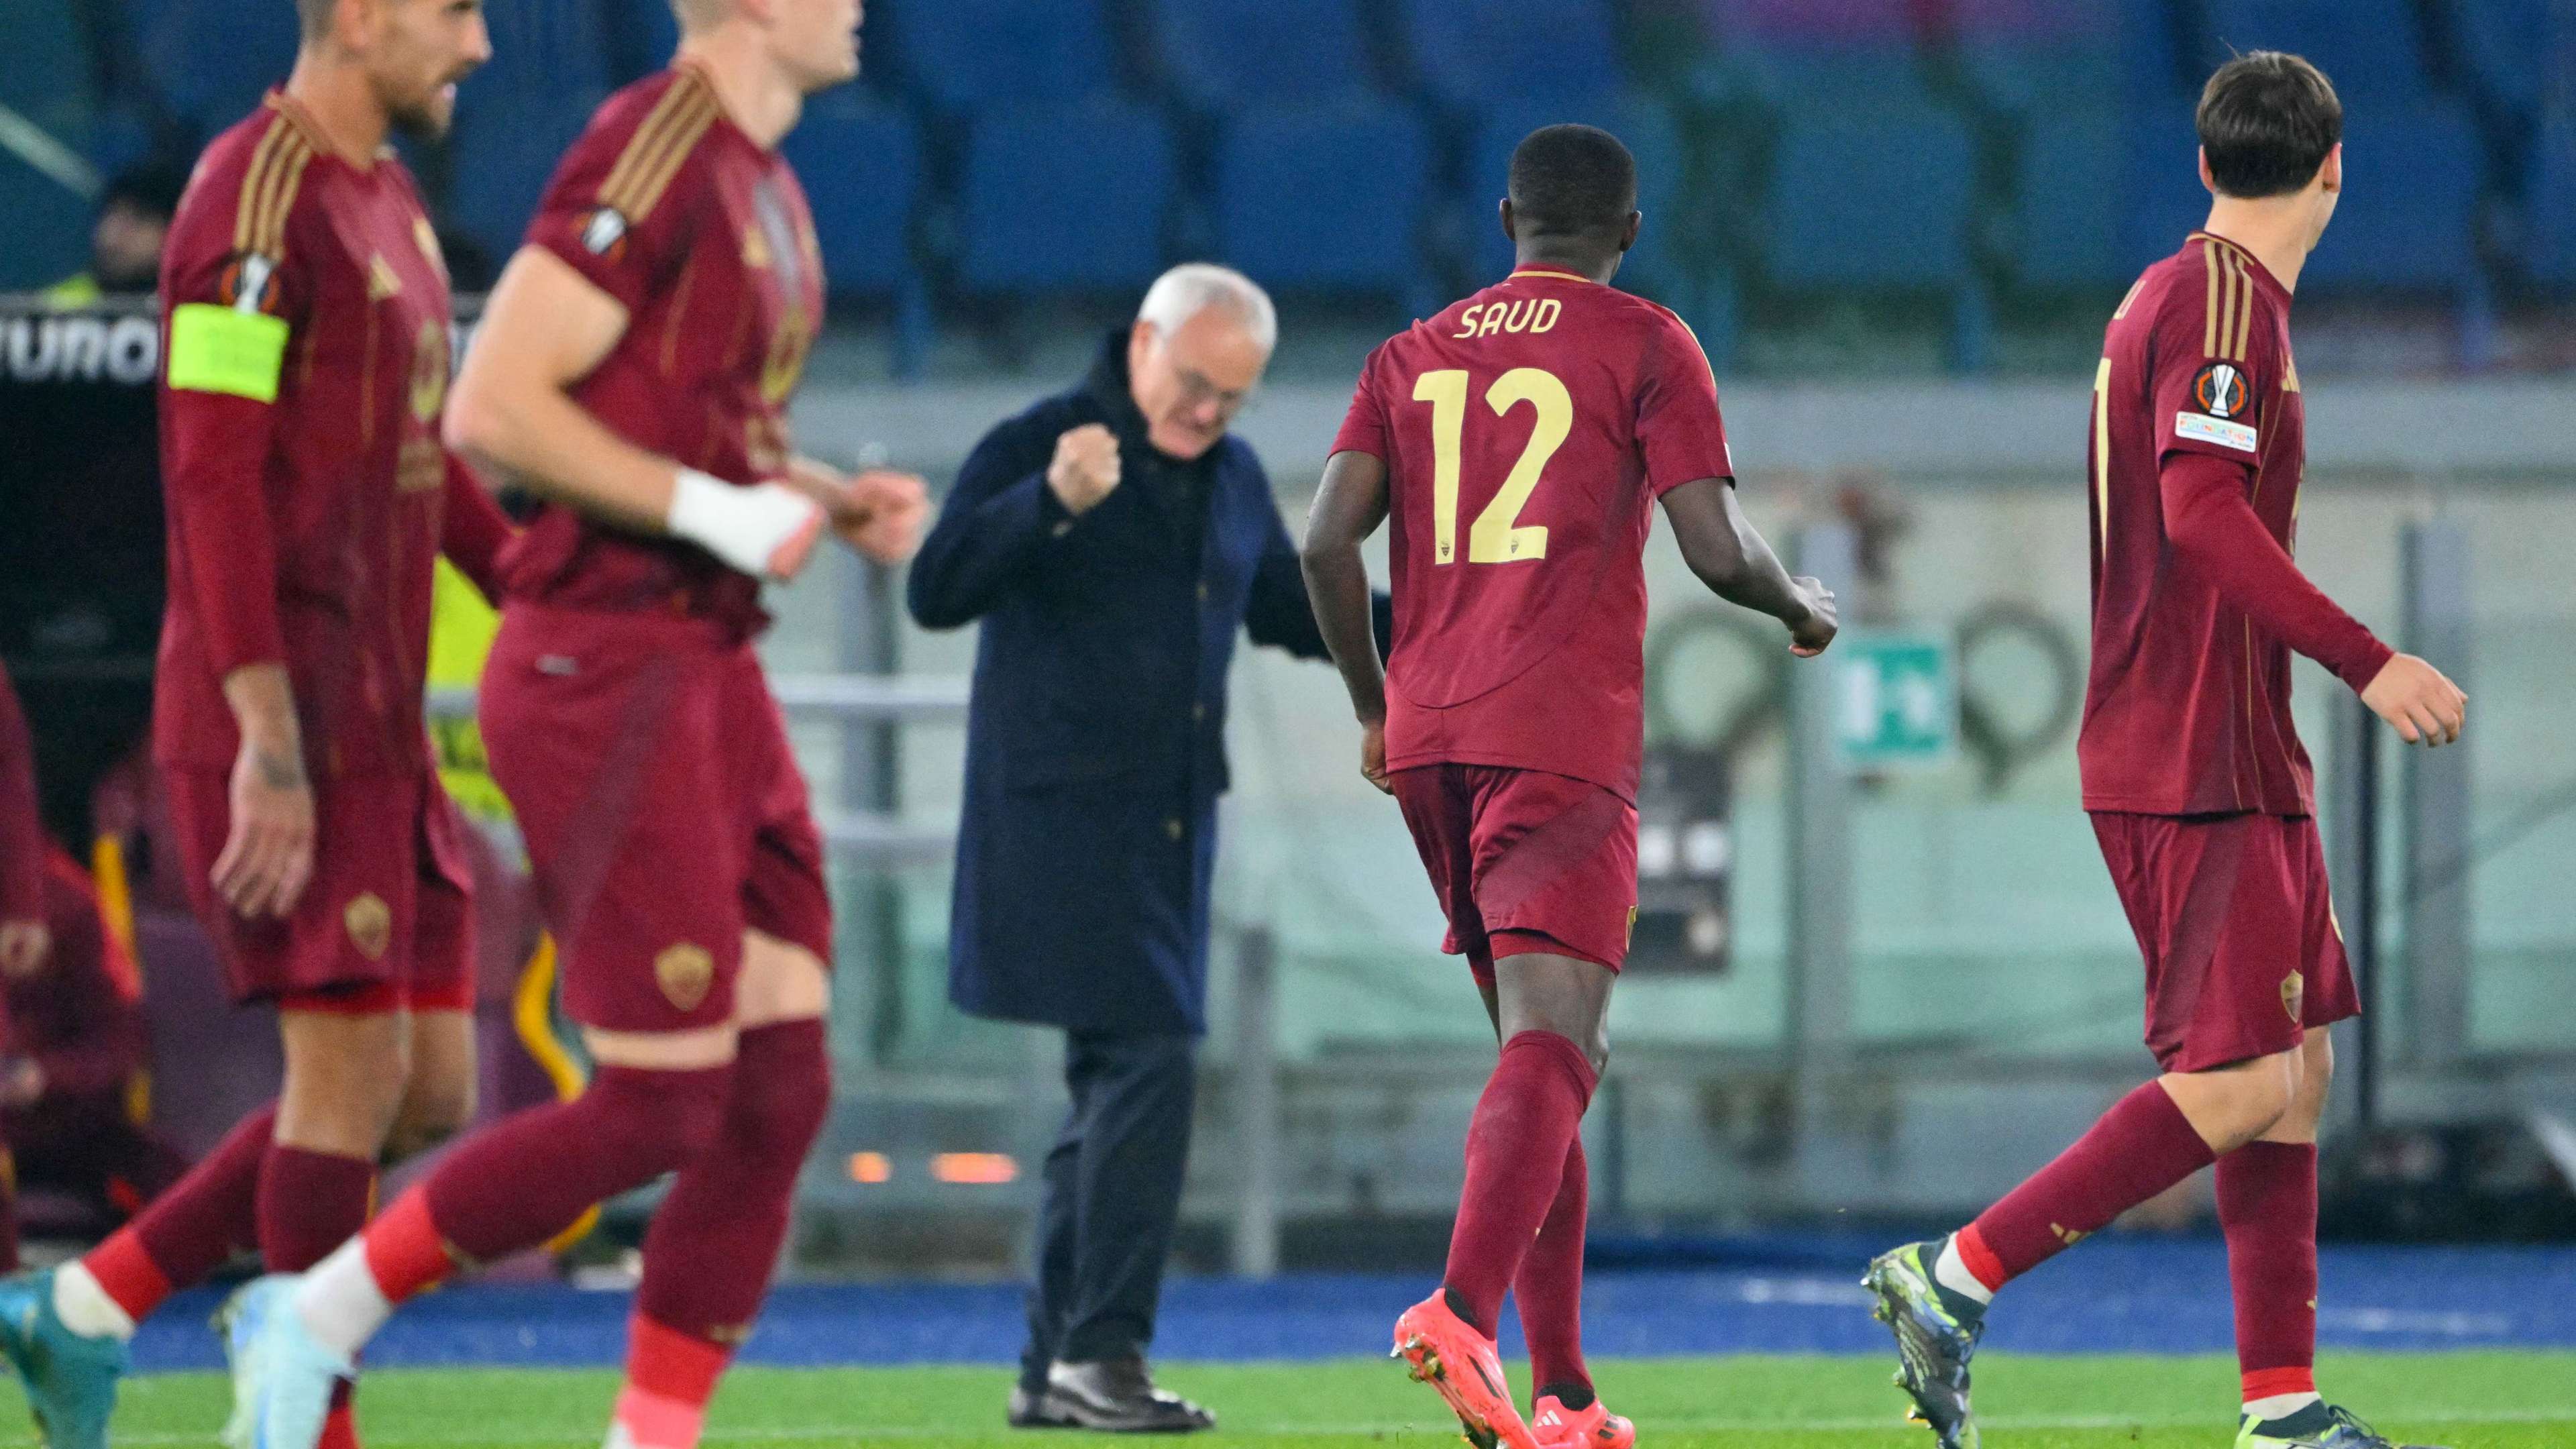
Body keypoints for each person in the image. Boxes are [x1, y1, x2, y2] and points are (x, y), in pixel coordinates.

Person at [226, 3, 928, 1448]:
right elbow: (493, 404)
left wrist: (810, 494)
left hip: (705, 663)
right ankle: (314, 1314)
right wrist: (724, 511)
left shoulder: (769, 179)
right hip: (604, 671)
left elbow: (682, 423)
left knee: (781, 1084)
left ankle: (648, 1438)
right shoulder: (653, 144)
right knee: (662, 1105)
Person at [1862, 52, 2466, 1449]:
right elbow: (2201, 513)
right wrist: (2370, 660)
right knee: (2250, 1077)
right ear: (2334, 167)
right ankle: (1953, 1274)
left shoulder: (2183, 291)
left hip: (2231, 739)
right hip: (2190, 745)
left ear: (2207, 164)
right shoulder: (2216, 301)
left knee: (2296, 1066)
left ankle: (2281, 1406)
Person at [0, 5, 511, 1448]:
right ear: (358, 16)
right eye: (454, 11)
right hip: (284, 726)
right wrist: (268, 749)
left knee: (422, 1091)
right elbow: (212, 485)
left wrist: (535, 593)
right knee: (344, 1094)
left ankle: (88, 1306)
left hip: (379, 727)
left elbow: (427, 452)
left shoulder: (389, 200)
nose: (475, 46)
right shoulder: (251, 201)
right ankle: (305, 1427)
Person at [1303, 125, 1839, 1449]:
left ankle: (1568, 1394)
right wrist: (1800, 601)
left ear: (1506, 219)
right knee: (1557, 1043)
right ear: (1632, 231)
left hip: (1432, 737)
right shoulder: (1650, 343)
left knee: (1548, 1057)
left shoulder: (1409, 355)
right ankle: (1461, 1315)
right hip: (1559, 734)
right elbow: (1714, 548)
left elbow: (1324, 540)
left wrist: (1375, 706)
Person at [909, 264, 1381, 1434]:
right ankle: (1102, 1355)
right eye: (1194, 382)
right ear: (1143, 344)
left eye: (1234, 396)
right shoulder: (1039, 441)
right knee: (1148, 1063)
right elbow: (935, 587)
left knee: (1113, 1090)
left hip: (1171, 831)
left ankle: (1052, 1368)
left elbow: (1285, 608)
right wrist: (1048, 505)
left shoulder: (1224, 476)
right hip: (1062, 825)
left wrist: (1431, 627)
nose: (1209, 412)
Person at [1, 846, 191, 1272]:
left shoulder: (62, 898)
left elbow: (123, 1039)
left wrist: (44, 1075)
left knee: (174, 1185)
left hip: (62, 1125)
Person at [41, 162, 189, 307]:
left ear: (174, 234)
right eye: (110, 216)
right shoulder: (59, 310)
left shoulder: (192, 308)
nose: (112, 238)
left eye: (138, 220)